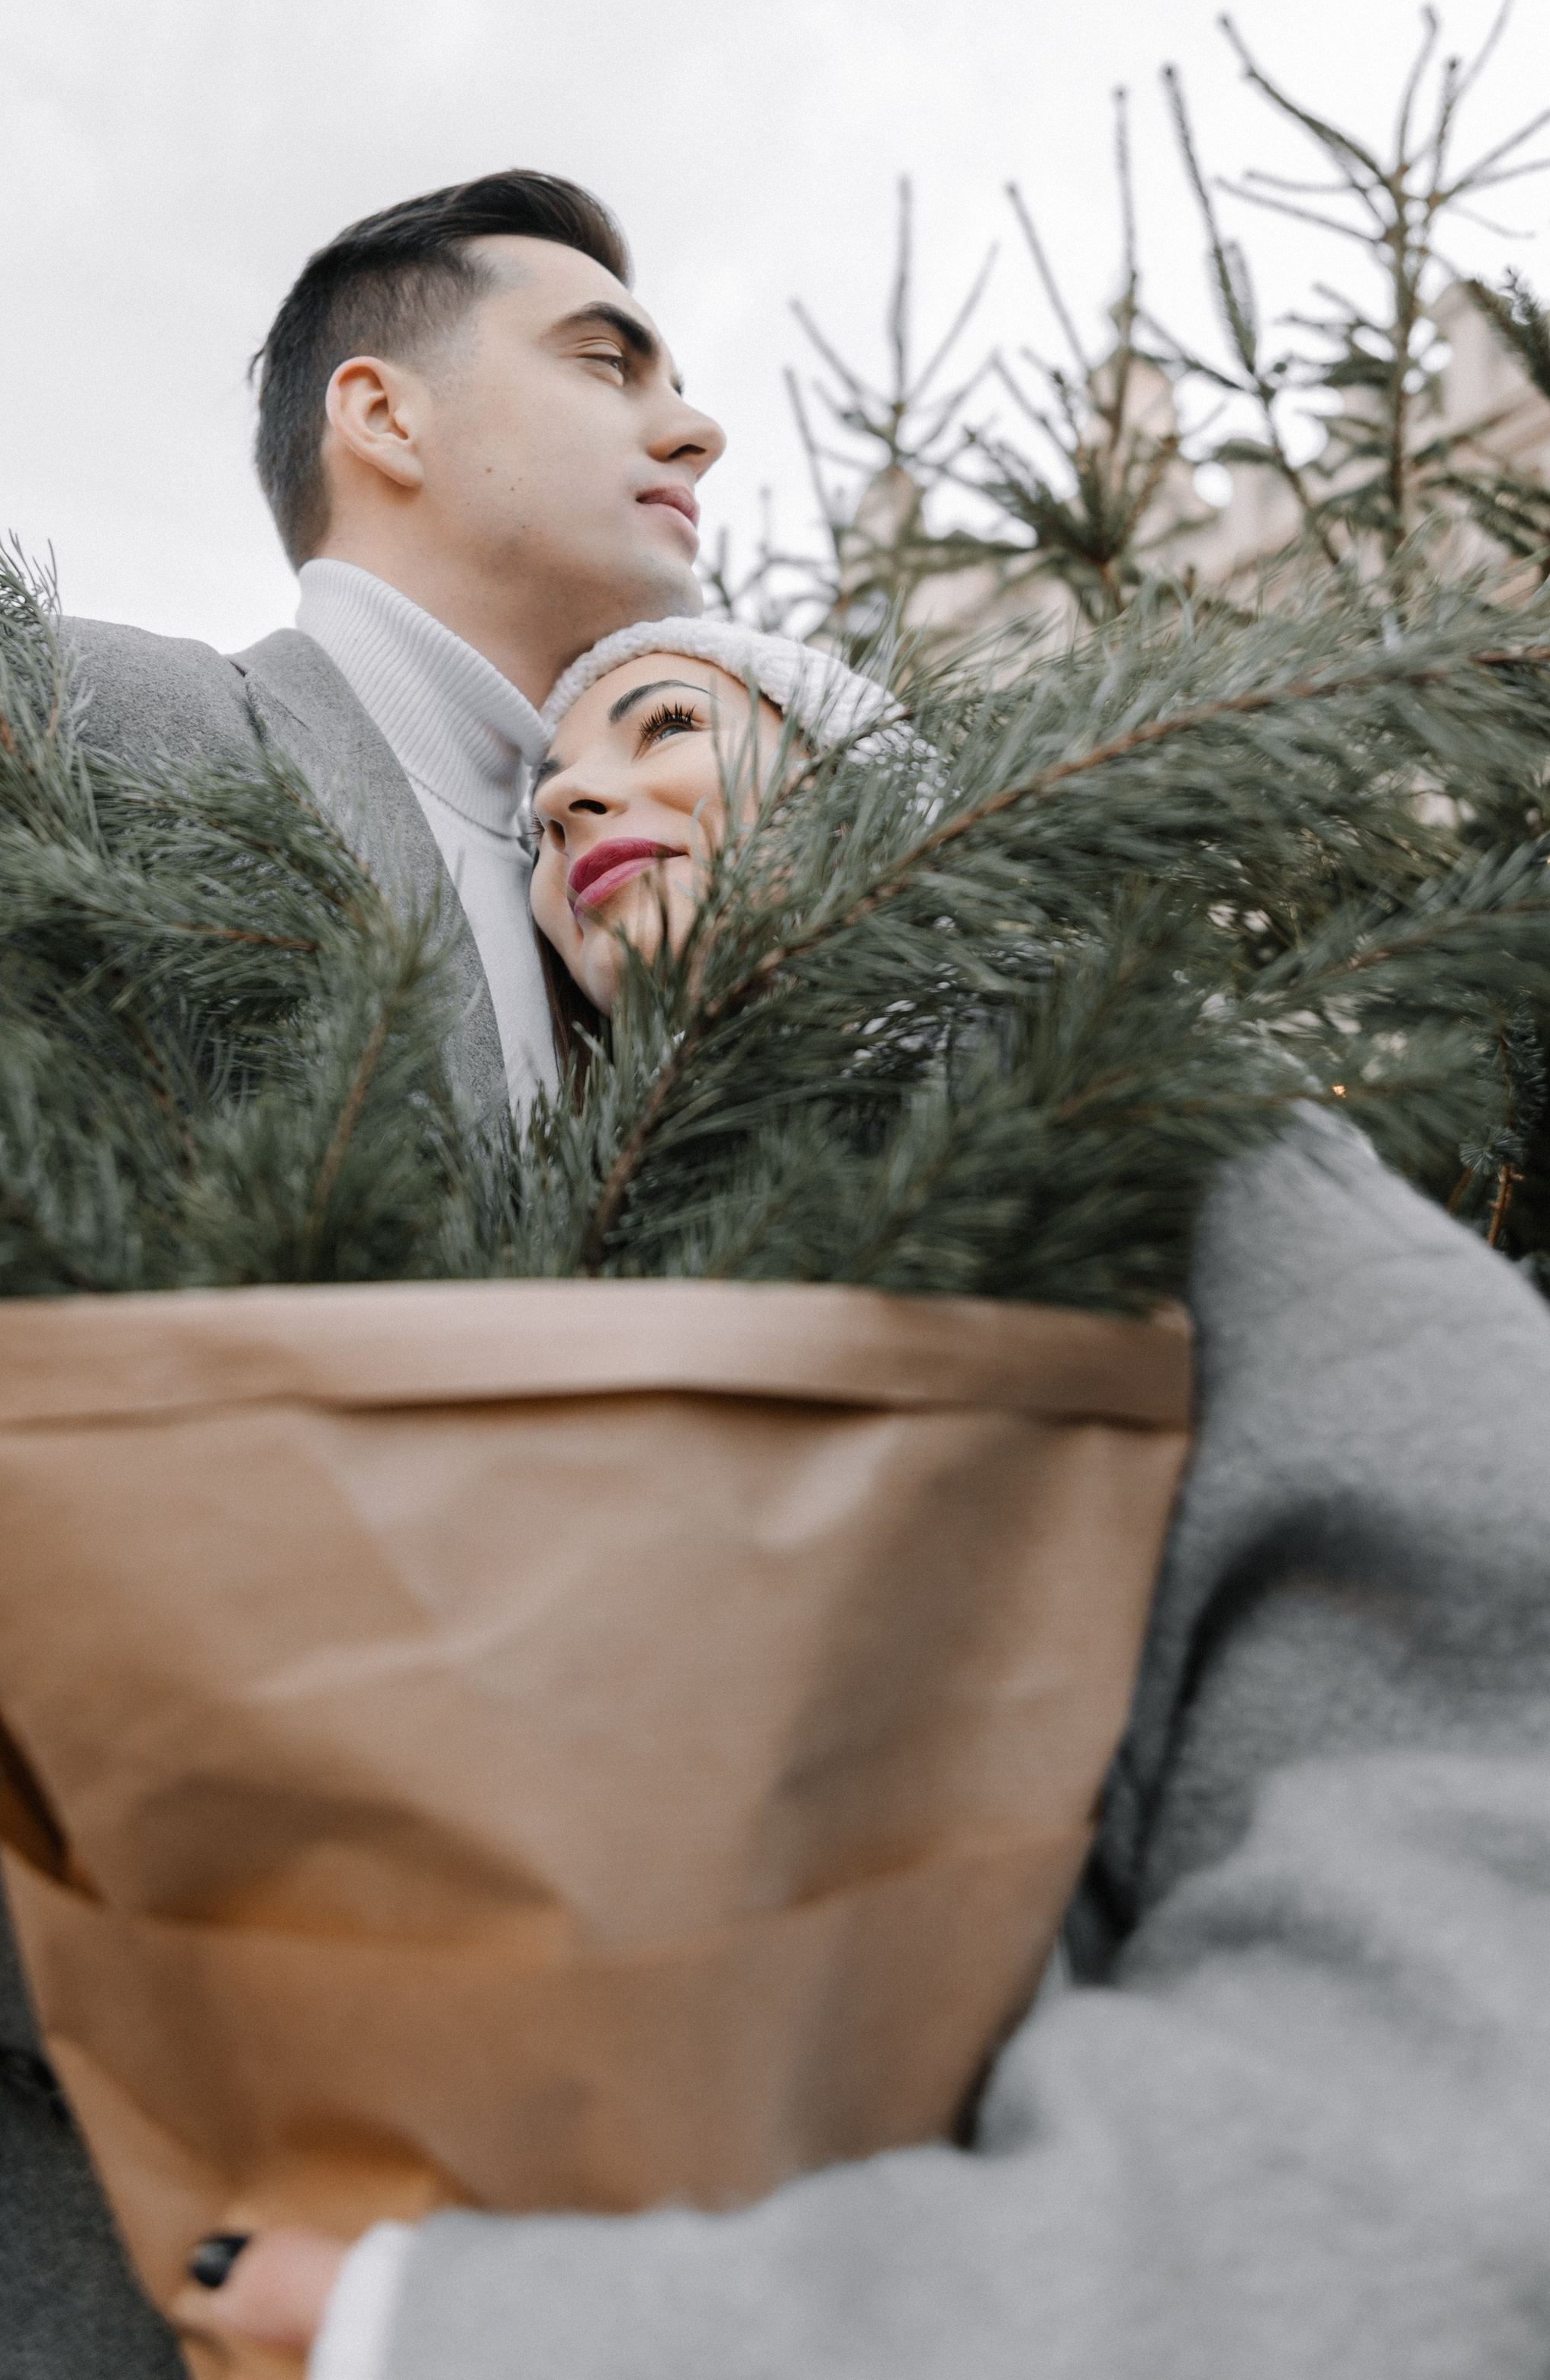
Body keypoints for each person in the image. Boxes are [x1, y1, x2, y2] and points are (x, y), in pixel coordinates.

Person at [0, 170, 723, 2380]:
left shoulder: (659, 983)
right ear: (380, 413)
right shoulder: (76, 723)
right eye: (607, 359)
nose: (691, 426)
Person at [187, 620, 1550, 2380]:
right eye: (538, 809)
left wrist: (484, 2331)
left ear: (868, 792)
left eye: (662, 723)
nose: (574, 797)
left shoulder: (1126, 1121)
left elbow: (1453, 1937)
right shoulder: (600, 1304)